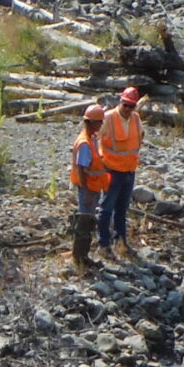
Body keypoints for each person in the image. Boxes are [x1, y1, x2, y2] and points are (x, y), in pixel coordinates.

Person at [96, 87, 145, 260]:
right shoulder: (108, 118)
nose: (128, 109)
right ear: (120, 101)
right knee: (106, 209)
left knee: (122, 210)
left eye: (132, 106)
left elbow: (140, 138)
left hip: (129, 172)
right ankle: (103, 244)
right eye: (126, 105)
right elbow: (93, 137)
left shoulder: (136, 119)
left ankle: (121, 242)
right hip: (111, 171)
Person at [69, 103, 110, 274]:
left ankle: (83, 256)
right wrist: (86, 192)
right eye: (99, 122)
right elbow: (81, 168)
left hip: (94, 187)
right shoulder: (85, 143)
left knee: (88, 221)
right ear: (91, 122)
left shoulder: (91, 138)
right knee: (85, 223)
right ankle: (80, 259)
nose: (101, 125)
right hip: (88, 189)